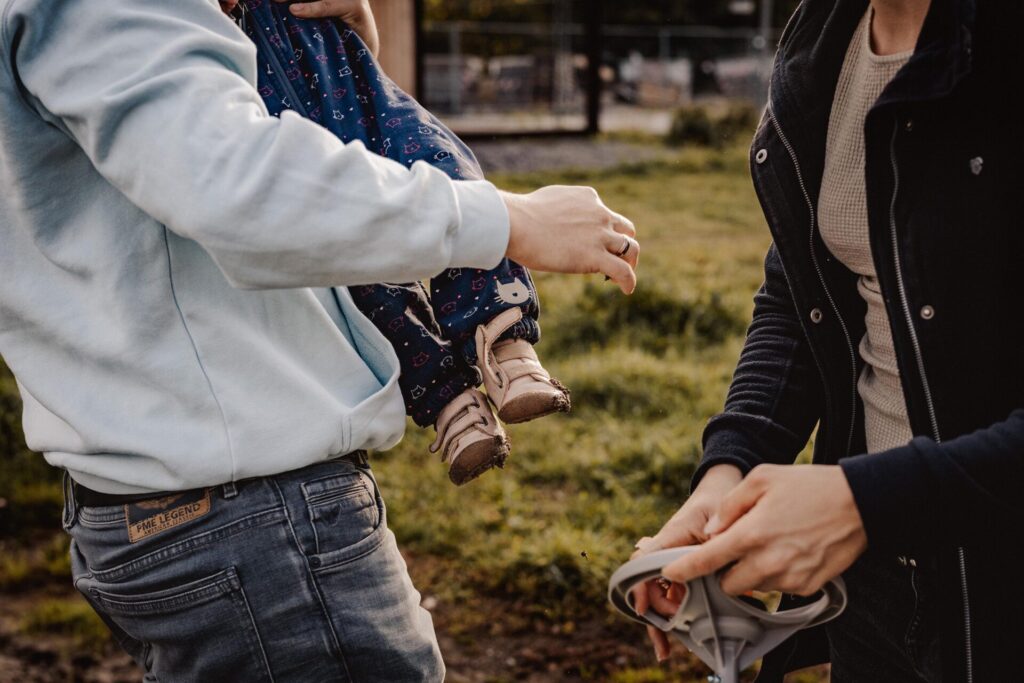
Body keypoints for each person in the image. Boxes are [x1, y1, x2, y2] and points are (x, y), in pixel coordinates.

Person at [0, 0, 638, 680]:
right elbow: (237, 183)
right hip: (251, 522)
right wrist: (508, 219)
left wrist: (334, 58)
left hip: (176, 505)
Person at [630, 0, 1024, 681]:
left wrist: (866, 502)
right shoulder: (825, 37)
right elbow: (803, 287)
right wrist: (729, 475)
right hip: (875, 587)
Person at [231, 0, 571, 486]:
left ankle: (504, 338)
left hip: (341, 74)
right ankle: (449, 401)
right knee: (358, 267)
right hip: (260, 110)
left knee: (442, 168)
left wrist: (360, 33)